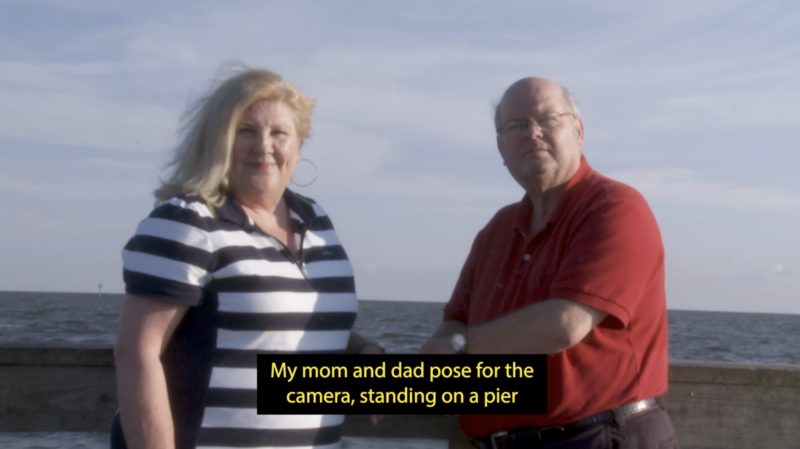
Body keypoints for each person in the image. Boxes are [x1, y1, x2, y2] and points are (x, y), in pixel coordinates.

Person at [112, 67, 382, 449]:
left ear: (299, 146)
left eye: (279, 133)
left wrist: (361, 350)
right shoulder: (187, 221)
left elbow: (278, 323)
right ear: (216, 141)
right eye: (246, 131)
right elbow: (137, 353)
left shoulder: (316, 220)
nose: (264, 146)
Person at [420, 77, 678, 449]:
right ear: (500, 146)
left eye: (548, 119)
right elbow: (454, 322)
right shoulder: (496, 231)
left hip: (599, 436)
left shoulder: (616, 208)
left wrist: (459, 348)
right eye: (516, 126)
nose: (533, 133)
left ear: (579, 130)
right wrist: (405, 385)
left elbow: (565, 325)